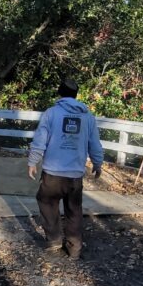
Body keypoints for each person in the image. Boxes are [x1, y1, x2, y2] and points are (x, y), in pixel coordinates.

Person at [27, 77, 103, 259]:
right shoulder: (87, 117)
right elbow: (95, 143)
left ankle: (54, 240)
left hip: (53, 172)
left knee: (46, 201)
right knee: (74, 209)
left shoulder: (51, 113)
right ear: (76, 95)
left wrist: (33, 161)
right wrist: (98, 163)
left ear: (60, 94)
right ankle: (74, 248)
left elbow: (40, 140)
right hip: (75, 174)